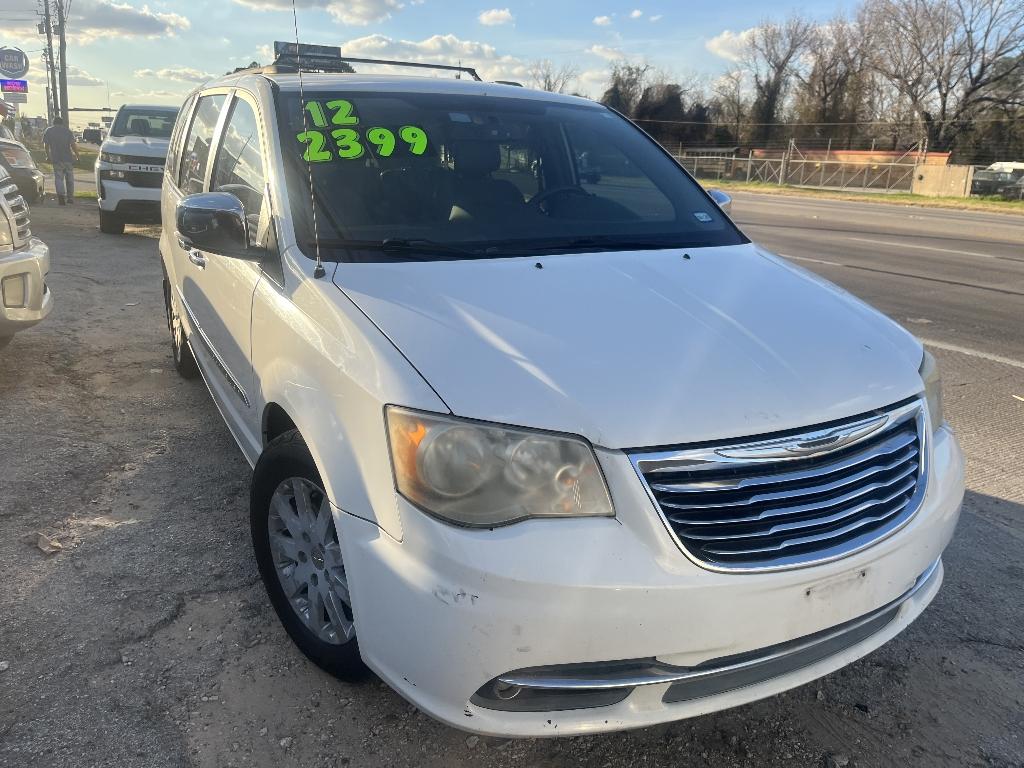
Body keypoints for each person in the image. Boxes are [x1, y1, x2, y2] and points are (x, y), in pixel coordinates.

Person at [42, 116, 79, 205]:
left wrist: (48, 156)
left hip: (56, 159)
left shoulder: (49, 131)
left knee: (59, 178)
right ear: (62, 123)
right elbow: (73, 145)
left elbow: (46, 145)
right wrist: (77, 155)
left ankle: (61, 196)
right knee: (70, 178)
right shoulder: (68, 131)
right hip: (68, 158)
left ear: (53, 123)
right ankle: (70, 198)